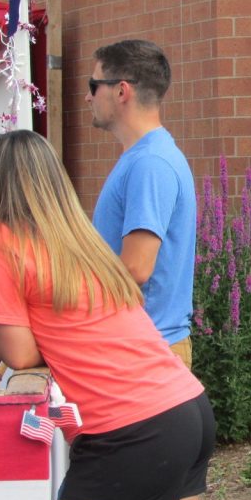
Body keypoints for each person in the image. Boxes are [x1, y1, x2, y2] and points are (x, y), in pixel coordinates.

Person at [0, 130, 214, 500]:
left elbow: (21, 352)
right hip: (186, 408)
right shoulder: (80, 239)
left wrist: (0, 332)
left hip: (128, 428)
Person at [86, 39, 196, 366]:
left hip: (143, 354)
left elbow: (135, 268)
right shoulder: (146, 158)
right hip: (141, 349)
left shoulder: (150, 164)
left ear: (121, 91)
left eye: (94, 85)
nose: (88, 96)